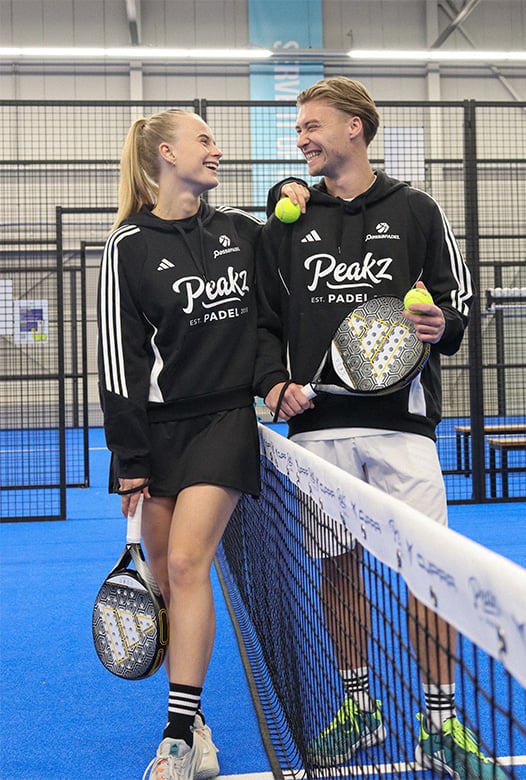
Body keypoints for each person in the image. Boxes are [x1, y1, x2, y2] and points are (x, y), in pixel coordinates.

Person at [255, 77, 506, 780]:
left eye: (312, 125)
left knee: (430, 576)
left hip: (404, 427)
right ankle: (361, 706)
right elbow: (264, 320)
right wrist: (272, 383)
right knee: (338, 572)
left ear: (356, 128)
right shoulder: (287, 223)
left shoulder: (418, 210)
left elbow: (455, 310)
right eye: (298, 129)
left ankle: (441, 722)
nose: (302, 137)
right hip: (317, 437)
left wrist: (440, 325)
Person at [97, 108, 262, 780]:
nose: (217, 151)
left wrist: (289, 191)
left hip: (225, 424)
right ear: (166, 153)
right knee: (164, 581)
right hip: (157, 435)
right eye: (205, 140)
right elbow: (119, 362)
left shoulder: (242, 235)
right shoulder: (128, 245)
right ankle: (196, 721)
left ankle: (175, 740)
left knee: (192, 565)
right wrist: (131, 462)